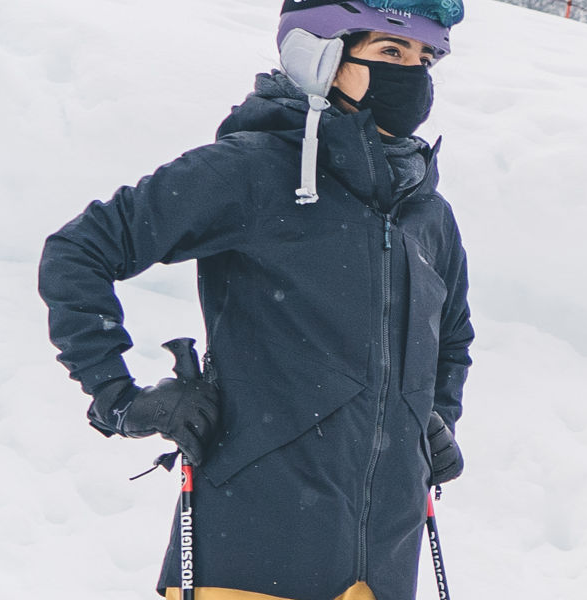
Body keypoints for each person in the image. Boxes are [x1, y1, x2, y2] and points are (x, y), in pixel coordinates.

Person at [35, 1, 471, 598]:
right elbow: (80, 251)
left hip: (385, 565)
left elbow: (452, 337)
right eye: (391, 51)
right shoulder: (253, 171)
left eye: (425, 59)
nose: (413, 76)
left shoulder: (427, 213)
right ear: (319, 57)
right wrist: (118, 397)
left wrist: (434, 418)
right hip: (252, 556)